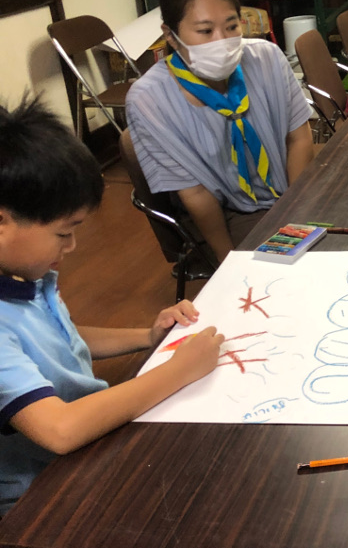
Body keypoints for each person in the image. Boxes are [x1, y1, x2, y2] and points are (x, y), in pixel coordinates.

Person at [0, 98, 223, 515]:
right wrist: (180, 369)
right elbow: (60, 430)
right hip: (40, 497)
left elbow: (58, 338)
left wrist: (147, 337)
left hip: (92, 442)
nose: (72, 246)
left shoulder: (21, 276)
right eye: (63, 233)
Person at [126, 0, 315, 263]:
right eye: (205, 31)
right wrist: (228, 261)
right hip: (229, 213)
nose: (221, 41)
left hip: (292, 193)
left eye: (231, 27)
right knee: (288, 271)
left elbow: (299, 139)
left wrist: (297, 213)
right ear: (171, 36)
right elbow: (196, 194)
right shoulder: (150, 99)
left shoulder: (266, 57)